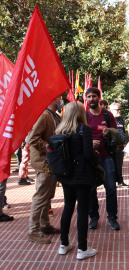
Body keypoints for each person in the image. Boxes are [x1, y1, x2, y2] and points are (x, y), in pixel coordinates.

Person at [54, 101, 97, 260]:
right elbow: (87, 154)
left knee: (68, 208)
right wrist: (94, 151)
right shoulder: (83, 129)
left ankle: (63, 245)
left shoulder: (60, 130)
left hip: (65, 175)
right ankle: (82, 249)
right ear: (79, 113)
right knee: (82, 211)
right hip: (82, 175)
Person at [27, 97, 62, 244]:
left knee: (47, 196)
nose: (61, 100)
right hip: (44, 163)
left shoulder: (54, 116)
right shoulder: (44, 115)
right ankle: (33, 231)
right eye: (59, 97)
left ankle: (44, 225)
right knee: (40, 197)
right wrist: (49, 147)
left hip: (50, 162)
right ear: (54, 100)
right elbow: (32, 139)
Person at [85, 87, 120, 231]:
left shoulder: (107, 115)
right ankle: (93, 217)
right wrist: (89, 144)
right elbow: (79, 135)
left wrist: (109, 131)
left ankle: (112, 217)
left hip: (107, 157)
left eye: (94, 96)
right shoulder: (84, 115)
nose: (91, 99)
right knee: (91, 189)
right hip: (90, 158)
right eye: (89, 97)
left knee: (111, 188)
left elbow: (117, 134)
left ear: (99, 98)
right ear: (86, 99)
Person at [110, 102, 128, 188]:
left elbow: (123, 131)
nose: (119, 111)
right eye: (117, 109)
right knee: (112, 165)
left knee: (120, 164)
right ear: (111, 110)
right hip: (112, 146)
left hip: (120, 146)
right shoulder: (109, 119)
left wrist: (124, 142)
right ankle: (111, 182)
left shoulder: (120, 119)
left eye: (120, 109)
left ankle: (120, 181)